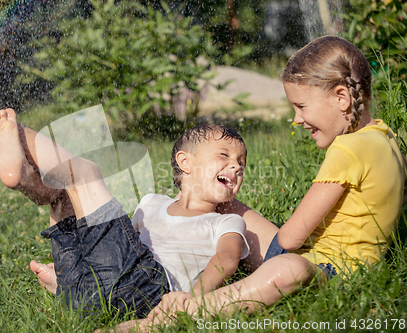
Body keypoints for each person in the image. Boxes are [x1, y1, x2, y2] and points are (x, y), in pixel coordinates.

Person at [123, 36, 407, 328]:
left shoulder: (347, 149)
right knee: (225, 204)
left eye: (302, 106)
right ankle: (191, 247)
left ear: (341, 98)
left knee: (287, 269)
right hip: (323, 257)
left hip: (328, 271)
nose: (296, 119)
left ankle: (178, 313)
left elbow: (289, 239)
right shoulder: (386, 136)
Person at [0, 57, 251, 317]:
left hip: (150, 291)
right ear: (185, 163)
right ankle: (23, 176)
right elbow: (113, 246)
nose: (236, 166)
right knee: (61, 196)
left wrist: (192, 299)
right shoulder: (151, 203)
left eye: (242, 163)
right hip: (97, 285)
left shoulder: (227, 222)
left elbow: (226, 259)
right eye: (224, 156)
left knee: (85, 174)